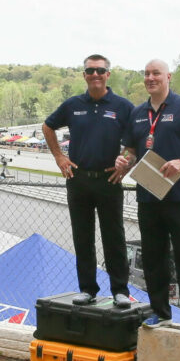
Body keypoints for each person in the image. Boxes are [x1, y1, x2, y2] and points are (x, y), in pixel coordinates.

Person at [113, 59, 180, 334]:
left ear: (168, 76)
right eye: (146, 74)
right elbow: (131, 151)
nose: (150, 78)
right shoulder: (137, 113)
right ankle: (160, 312)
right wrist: (123, 161)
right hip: (148, 196)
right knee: (154, 258)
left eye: (156, 73)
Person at [42, 54, 133, 308]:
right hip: (78, 179)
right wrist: (60, 156)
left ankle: (120, 291)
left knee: (113, 237)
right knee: (82, 237)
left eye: (100, 71)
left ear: (108, 75)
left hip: (109, 181)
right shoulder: (72, 105)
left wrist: (125, 162)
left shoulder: (122, 106)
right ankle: (87, 289)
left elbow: (135, 140)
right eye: (90, 71)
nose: (95, 75)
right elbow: (47, 127)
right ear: (84, 75)